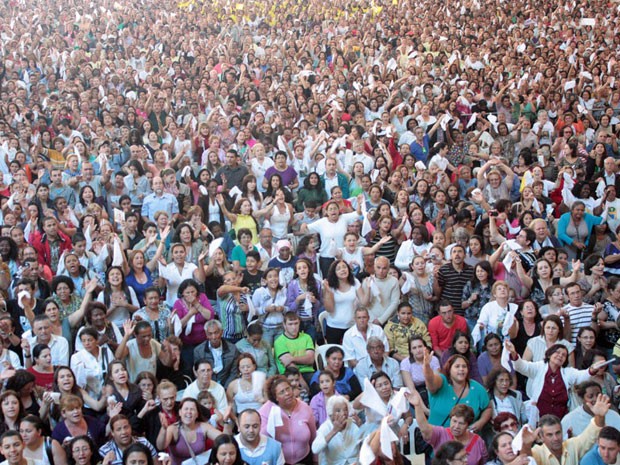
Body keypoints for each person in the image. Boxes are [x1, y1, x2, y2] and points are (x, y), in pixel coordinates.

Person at [505, 341, 602, 418]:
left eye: (564, 355)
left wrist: (591, 370)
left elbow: (581, 375)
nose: (560, 356)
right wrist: (514, 353)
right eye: (557, 352)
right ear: (549, 355)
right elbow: (522, 366)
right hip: (538, 417)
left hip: (560, 418)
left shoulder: (567, 372)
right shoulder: (539, 367)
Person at [521, 394, 612, 465]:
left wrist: (600, 416)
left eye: (558, 433)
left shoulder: (572, 445)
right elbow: (528, 462)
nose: (556, 438)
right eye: (550, 435)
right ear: (541, 437)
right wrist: (526, 445)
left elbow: (592, 431)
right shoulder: (538, 452)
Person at [411, 390, 488, 465]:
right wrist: (417, 406)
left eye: (461, 423)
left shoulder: (478, 442)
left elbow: (484, 462)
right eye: (454, 421)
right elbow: (425, 428)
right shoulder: (441, 433)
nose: (456, 426)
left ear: (468, 425)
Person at [423, 351, 491, 431]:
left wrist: (481, 422)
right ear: (449, 369)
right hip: (437, 437)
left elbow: (488, 408)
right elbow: (431, 383)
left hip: (467, 439)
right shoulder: (442, 381)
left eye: (464, 366)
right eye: (457, 366)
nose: (461, 369)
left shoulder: (477, 388)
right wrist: (427, 367)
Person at [258, 375, 316, 465]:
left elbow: (313, 437)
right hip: (279, 461)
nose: (287, 393)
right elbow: (260, 439)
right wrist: (271, 423)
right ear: (275, 397)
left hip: (304, 459)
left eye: (288, 389)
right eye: (282, 392)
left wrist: (316, 459)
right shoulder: (266, 410)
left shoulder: (305, 408)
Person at [157, 398, 230, 465]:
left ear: (197, 414)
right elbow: (161, 446)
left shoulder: (203, 427)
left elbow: (224, 440)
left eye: (192, 409)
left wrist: (226, 421)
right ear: (180, 412)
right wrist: (163, 429)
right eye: (186, 409)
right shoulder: (173, 429)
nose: (189, 412)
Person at [311, 395, 362, 465]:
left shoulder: (353, 423)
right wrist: (334, 431)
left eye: (345, 409)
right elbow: (315, 449)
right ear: (331, 414)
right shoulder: (325, 427)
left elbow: (363, 444)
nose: (343, 413)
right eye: (338, 410)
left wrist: (361, 427)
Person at [193, 320, 240, 389]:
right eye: (210, 334)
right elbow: (199, 373)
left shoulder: (233, 349)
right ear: (206, 334)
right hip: (207, 387)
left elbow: (234, 373)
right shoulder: (198, 351)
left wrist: (226, 388)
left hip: (228, 386)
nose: (214, 337)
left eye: (216, 333)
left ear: (221, 332)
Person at [273, 312, 315, 383]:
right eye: (290, 324)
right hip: (289, 374)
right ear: (284, 325)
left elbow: (310, 359)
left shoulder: (307, 337)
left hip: (308, 372)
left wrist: (292, 358)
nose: (294, 327)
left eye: (296, 323)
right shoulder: (279, 341)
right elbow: (290, 365)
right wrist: (304, 385)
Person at [434, 245, 474, 316]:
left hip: (465, 311)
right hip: (447, 311)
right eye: (454, 252)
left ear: (465, 255)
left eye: (460, 251)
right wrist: (436, 278)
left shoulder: (471, 270)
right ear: (451, 256)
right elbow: (437, 293)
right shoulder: (443, 269)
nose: (457, 254)